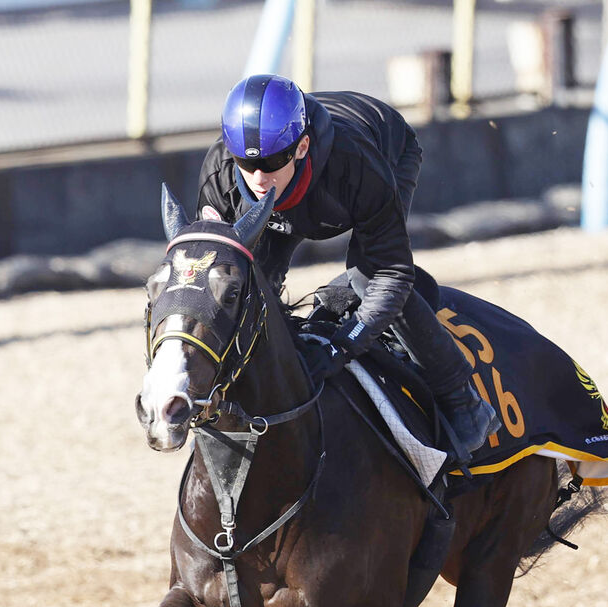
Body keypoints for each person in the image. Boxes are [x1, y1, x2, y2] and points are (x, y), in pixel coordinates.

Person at [196, 73, 499, 456]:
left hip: (385, 149)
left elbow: (393, 273)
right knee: (257, 278)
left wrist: (342, 347)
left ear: (302, 146)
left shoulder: (355, 165)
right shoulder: (219, 176)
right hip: (300, 197)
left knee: (366, 277)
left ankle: (463, 399)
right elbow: (214, 277)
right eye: (244, 162)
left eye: (273, 161)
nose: (258, 178)